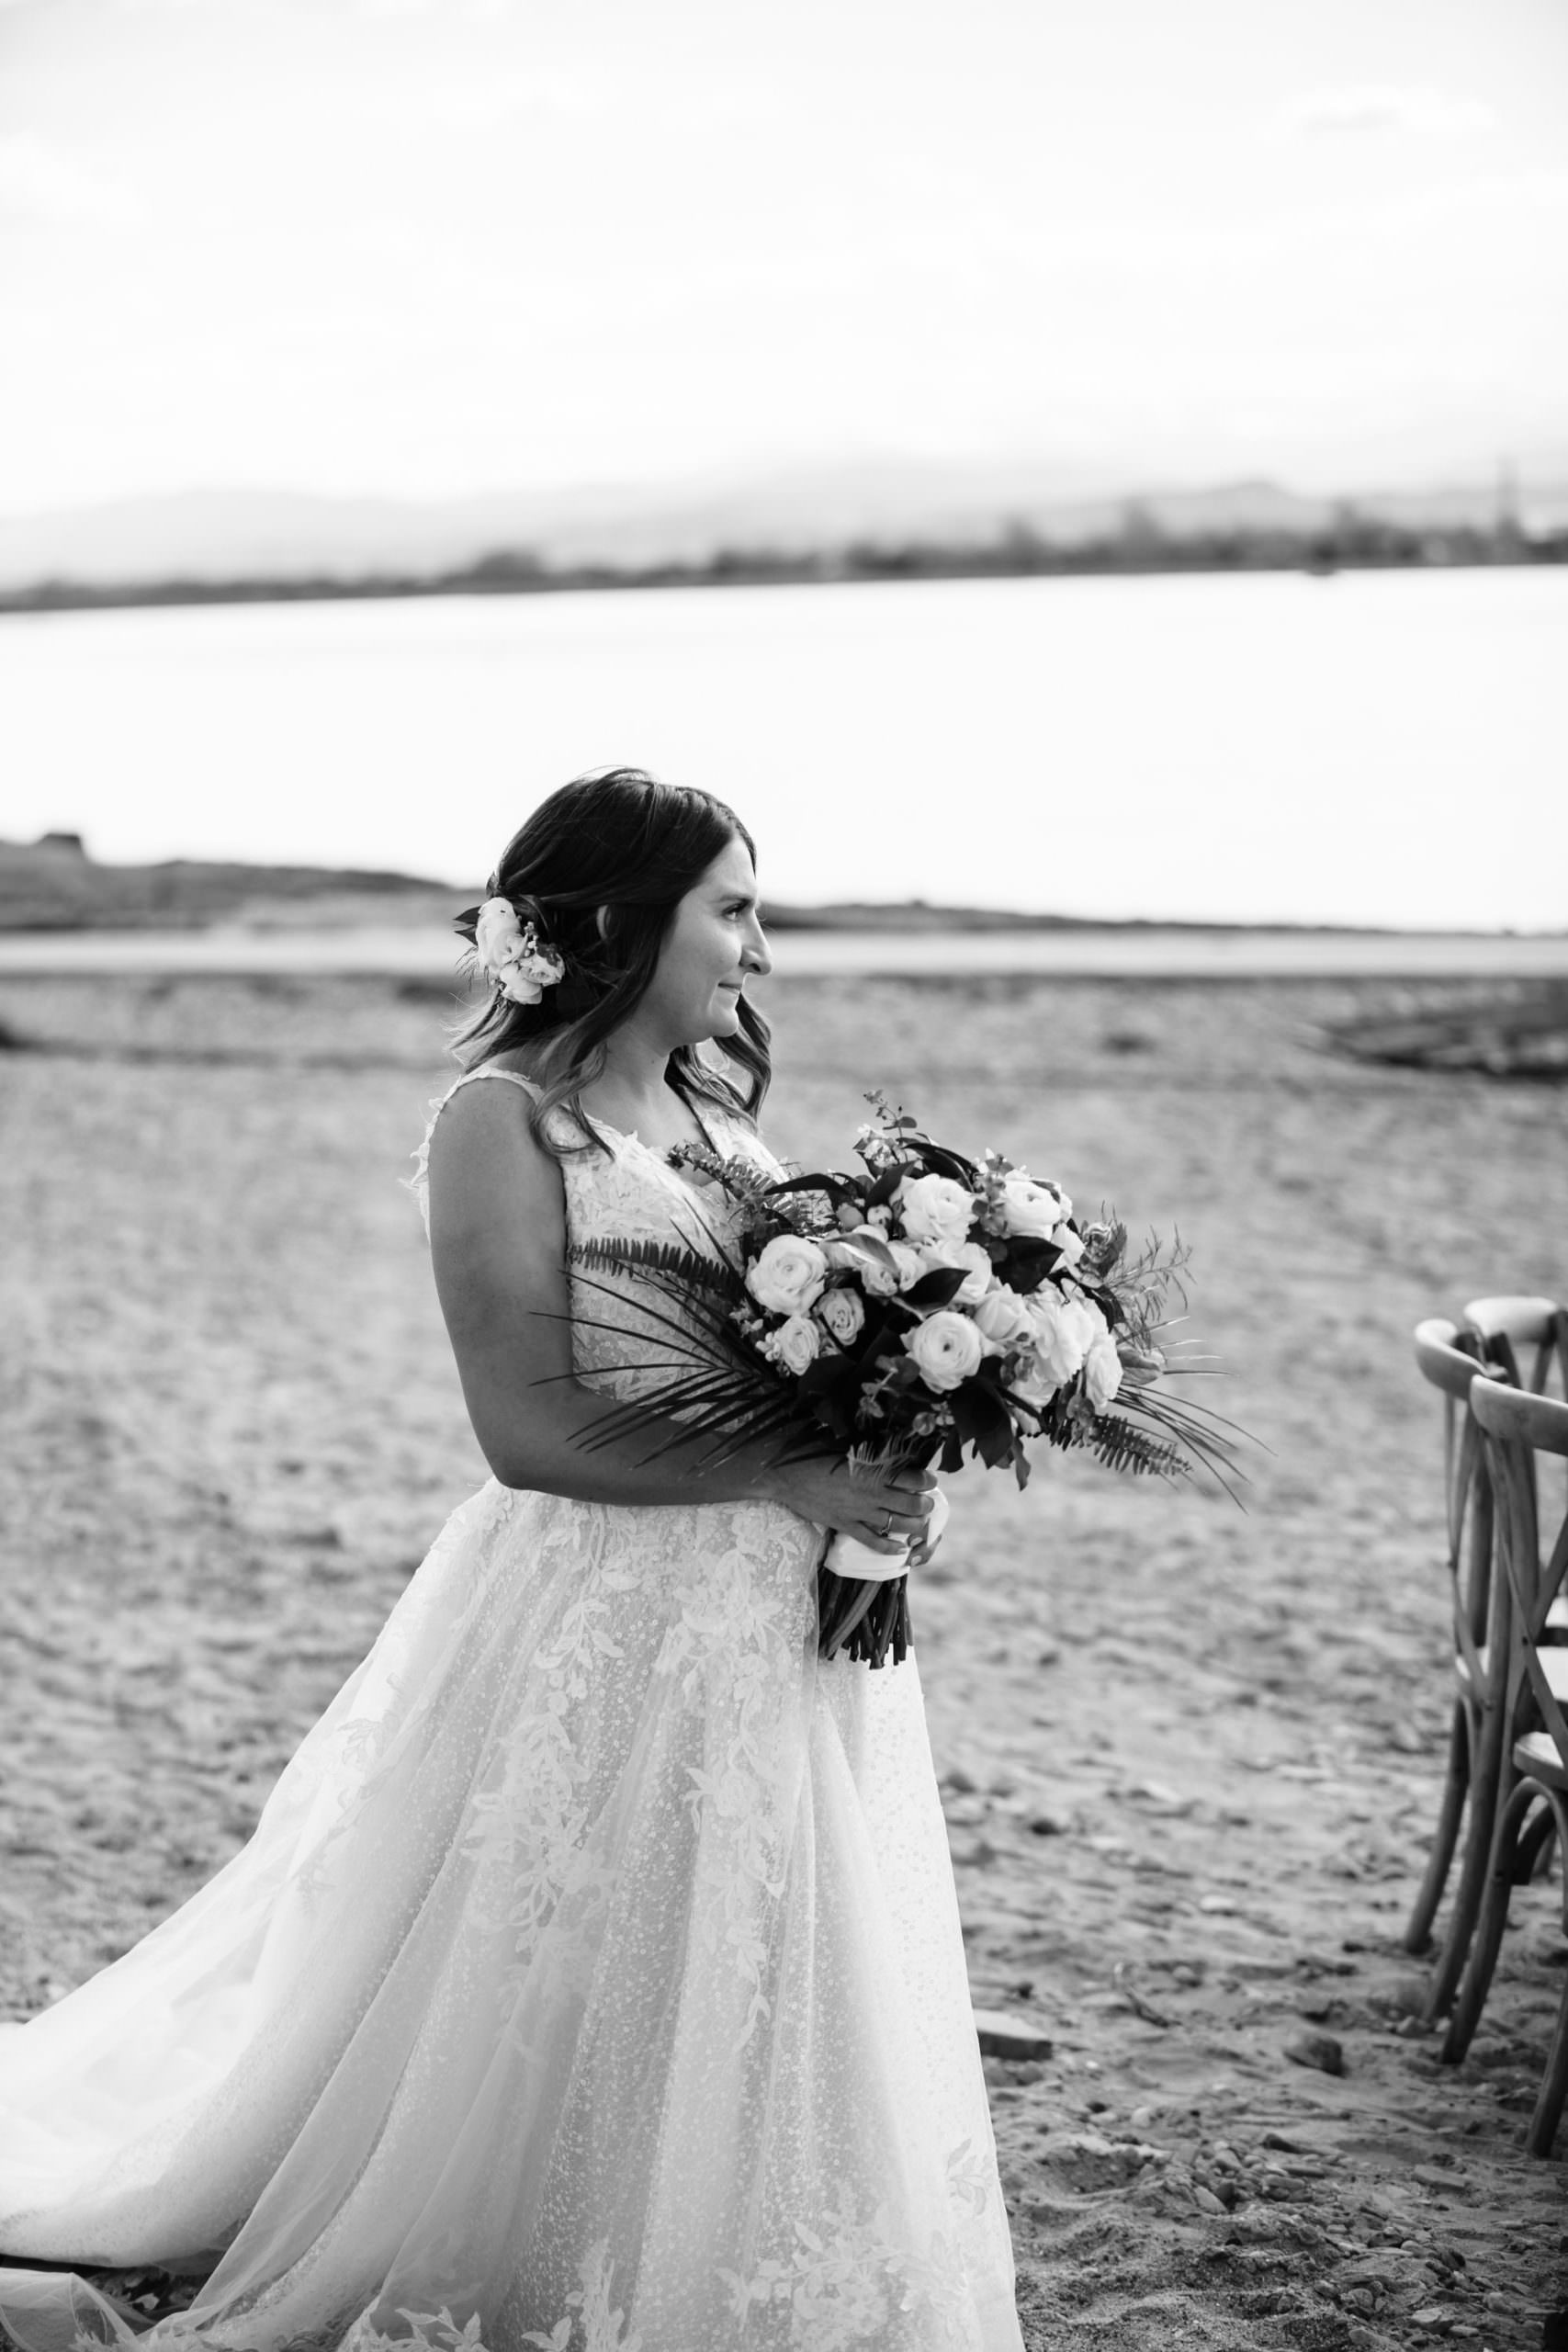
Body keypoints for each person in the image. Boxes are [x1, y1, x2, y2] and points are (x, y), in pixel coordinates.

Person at [0, 770, 1024, 2352]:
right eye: (733, 911)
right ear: (621, 923)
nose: (759, 949)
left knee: (760, 1943)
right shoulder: (499, 1125)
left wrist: (891, 1464)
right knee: (548, 1954)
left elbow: (798, 1367)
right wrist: (796, 1472)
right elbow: (526, 1433)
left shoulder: (714, 1116)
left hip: (766, 1613)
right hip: (601, 1604)